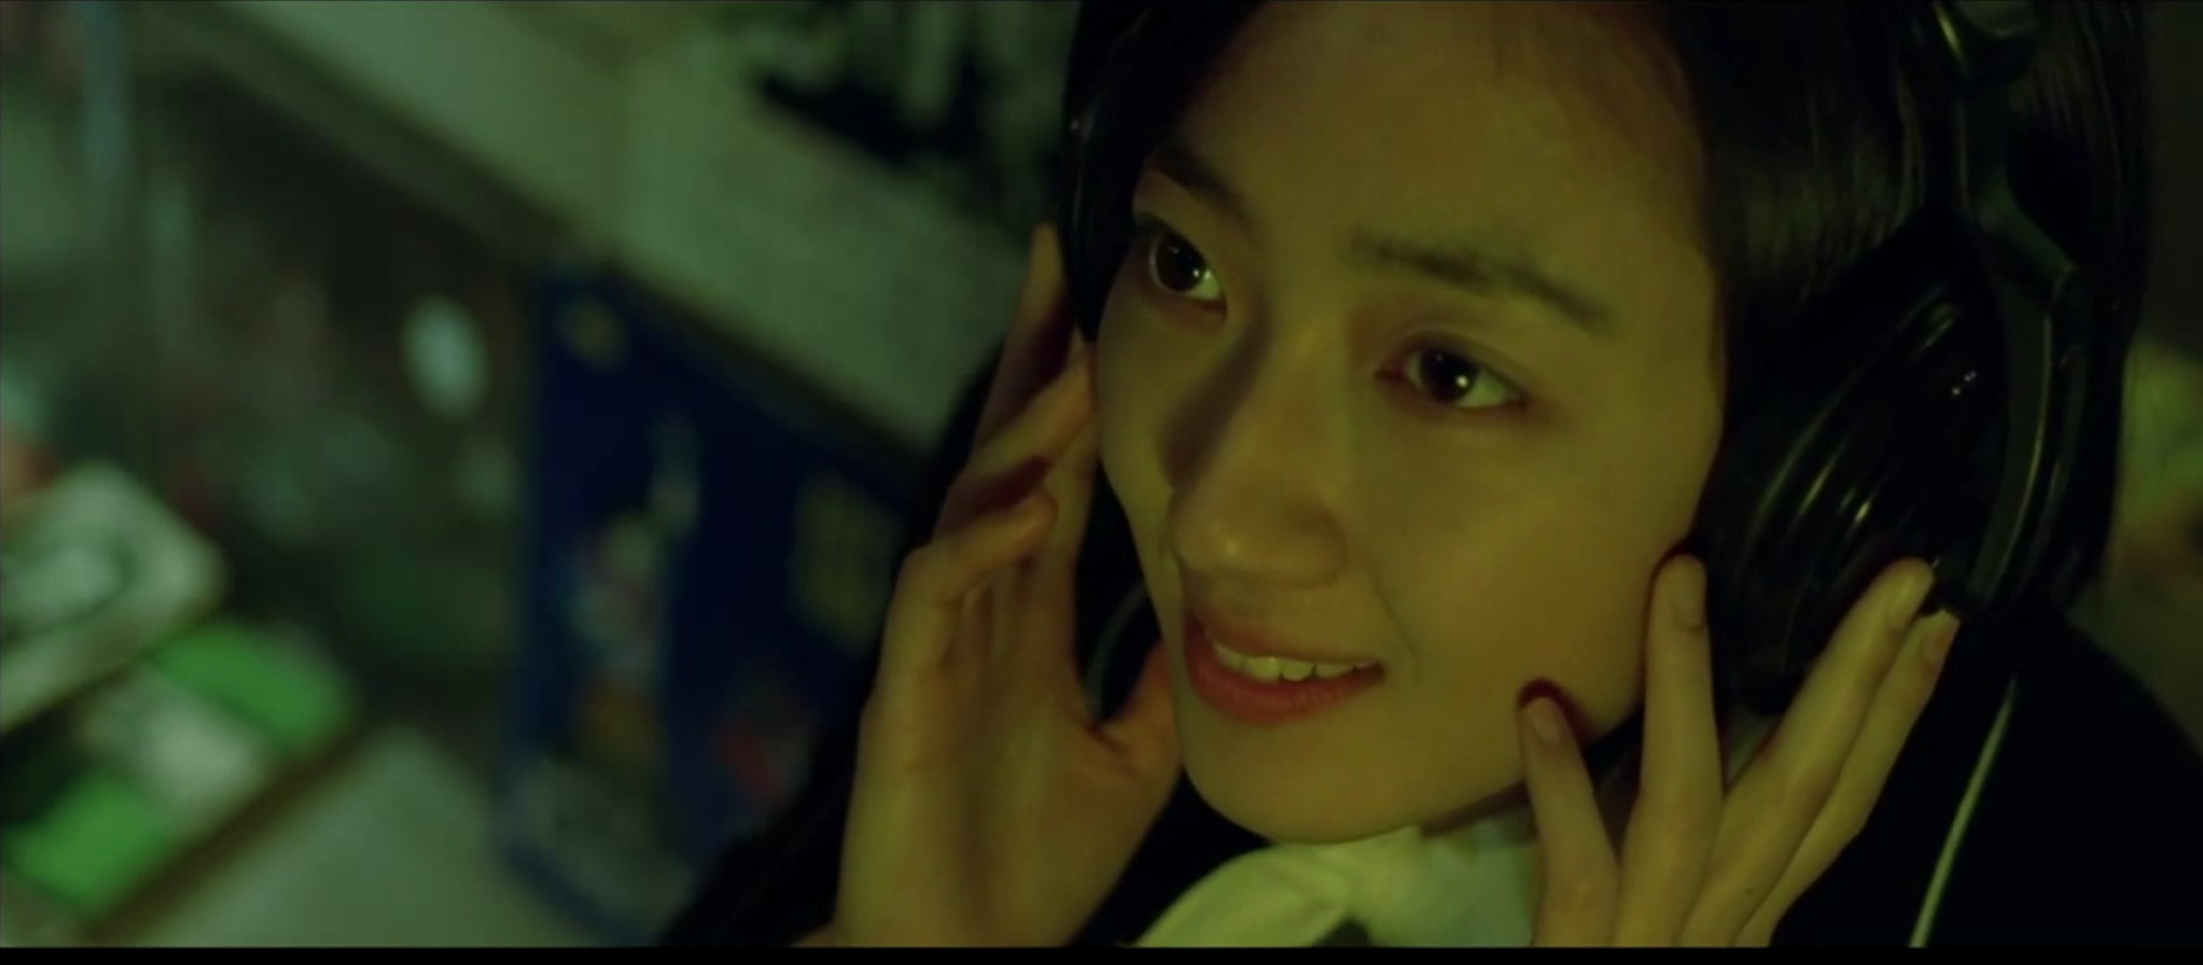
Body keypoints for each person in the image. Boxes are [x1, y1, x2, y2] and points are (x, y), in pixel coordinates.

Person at [663, 0, 2203, 946]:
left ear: (1841, 460)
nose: (1213, 514)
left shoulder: (2099, 880)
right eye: (1186, 265)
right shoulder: (1051, 591)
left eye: (1451, 374)